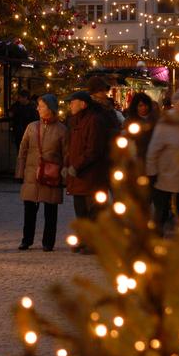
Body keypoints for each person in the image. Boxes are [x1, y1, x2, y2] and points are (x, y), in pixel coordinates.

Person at [15, 95, 67, 252]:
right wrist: (20, 172)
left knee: (50, 210)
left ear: (50, 109)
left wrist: (64, 177)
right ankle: (27, 239)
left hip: (51, 174)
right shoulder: (31, 127)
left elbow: (66, 155)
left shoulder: (62, 130)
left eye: (41, 106)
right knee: (29, 208)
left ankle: (48, 241)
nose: (38, 108)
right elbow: (22, 151)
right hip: (32, 173)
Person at [146, 87, 179, 236]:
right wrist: (151, 172)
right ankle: (157, 238)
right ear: (174, 104)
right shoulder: (166, 122)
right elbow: (154, 149)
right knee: (161, 209)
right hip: (166, 173)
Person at [64, 91, 109, 254]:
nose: (70, 105)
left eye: (73, 102)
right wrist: (68, 165)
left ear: (83, 104)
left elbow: (93, 150)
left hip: (91, 175)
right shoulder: (75, 121)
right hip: (79, 176)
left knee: (93, 211)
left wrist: (75, 166)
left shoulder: (94, 121)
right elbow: (72, 148)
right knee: (81, 211)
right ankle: (83, 240)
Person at [123, 92, 159, 174]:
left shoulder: (155, 120)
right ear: (135, 107)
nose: (144, 108)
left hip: (153, 159)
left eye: (145, 105)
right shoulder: (129, 121)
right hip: (137, 159)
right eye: (140, 106)